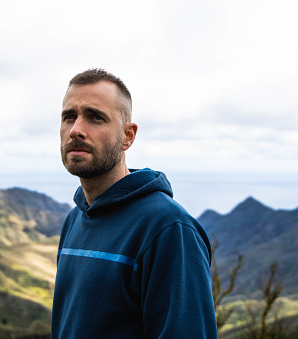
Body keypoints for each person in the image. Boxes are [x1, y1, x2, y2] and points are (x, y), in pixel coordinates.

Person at [51, 68, 217, 338]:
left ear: (128, 135)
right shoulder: (74, 220)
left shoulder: (169, 229)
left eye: (96, 117)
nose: (76, 130)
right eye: (69, 117)